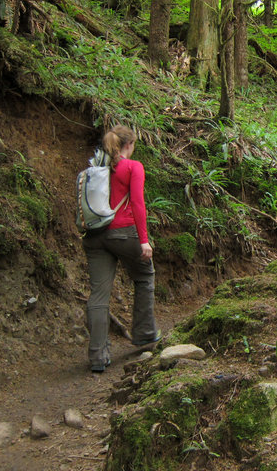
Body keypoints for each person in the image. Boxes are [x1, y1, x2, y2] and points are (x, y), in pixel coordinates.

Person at [82, 125, 160, 372]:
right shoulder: (133, 167)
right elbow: (138, 204)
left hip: (95, 236)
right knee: (144, 275)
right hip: (124, 233)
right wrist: (144, 240)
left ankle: (97, 356)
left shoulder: (95, 168)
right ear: (128, 145)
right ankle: (145, 333)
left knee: (98, 295)